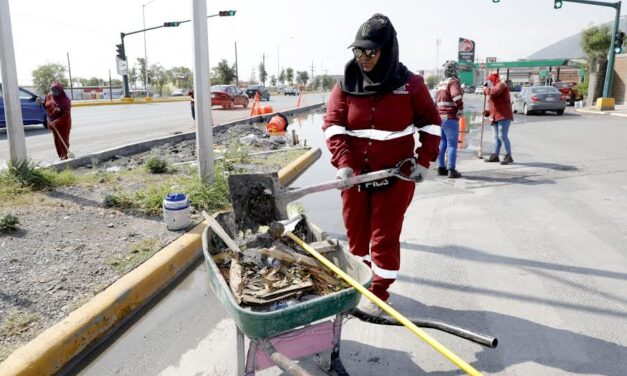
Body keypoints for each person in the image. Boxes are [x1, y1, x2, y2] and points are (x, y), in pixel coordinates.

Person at [323, 14, 441, 316]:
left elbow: (430, 124)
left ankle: (378, 294)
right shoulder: (346, 84)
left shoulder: (410, 85)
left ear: (386, 50)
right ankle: (360, 283)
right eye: (358, 51)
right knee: (357, 238)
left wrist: (423, 160)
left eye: (370, 52)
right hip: (355, 179)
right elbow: (334, 125)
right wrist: (344, 164)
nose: (363, 58)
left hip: (396, 177)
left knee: (384, 238)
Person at [435, 60, 464, 178]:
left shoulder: (441, 83)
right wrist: (460, 108)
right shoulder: (453, 81)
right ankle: (451, 169)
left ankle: (441, 167)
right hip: (450, 117)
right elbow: (456, 95)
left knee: (443, 143)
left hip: (440, 117)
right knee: (452, 144)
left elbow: (435, 100)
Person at [483, 72, 514, 164]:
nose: (488, 84)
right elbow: (494, 104)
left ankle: (508, 156)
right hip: (495, 116)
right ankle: (495, 155)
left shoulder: (501, 84)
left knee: (502, 136)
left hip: (503, 115)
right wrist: (488, 112)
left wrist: (485, 89)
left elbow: (494, 92)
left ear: (493, 80)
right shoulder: (493, 87)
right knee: (496, 137)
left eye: (489, 81)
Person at [38, 82, 72, 160]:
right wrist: (41, 103)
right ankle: (61, 156)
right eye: (52, 90)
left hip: (63, 124)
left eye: (56, 91)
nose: (53, 93)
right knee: (56, 141)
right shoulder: (49, 96)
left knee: (63, 140)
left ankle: (65, 155)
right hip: (52, 122)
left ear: (60, 91)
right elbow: (47, 105)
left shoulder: (65, 101)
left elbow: (66, 115)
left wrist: (56, 122)